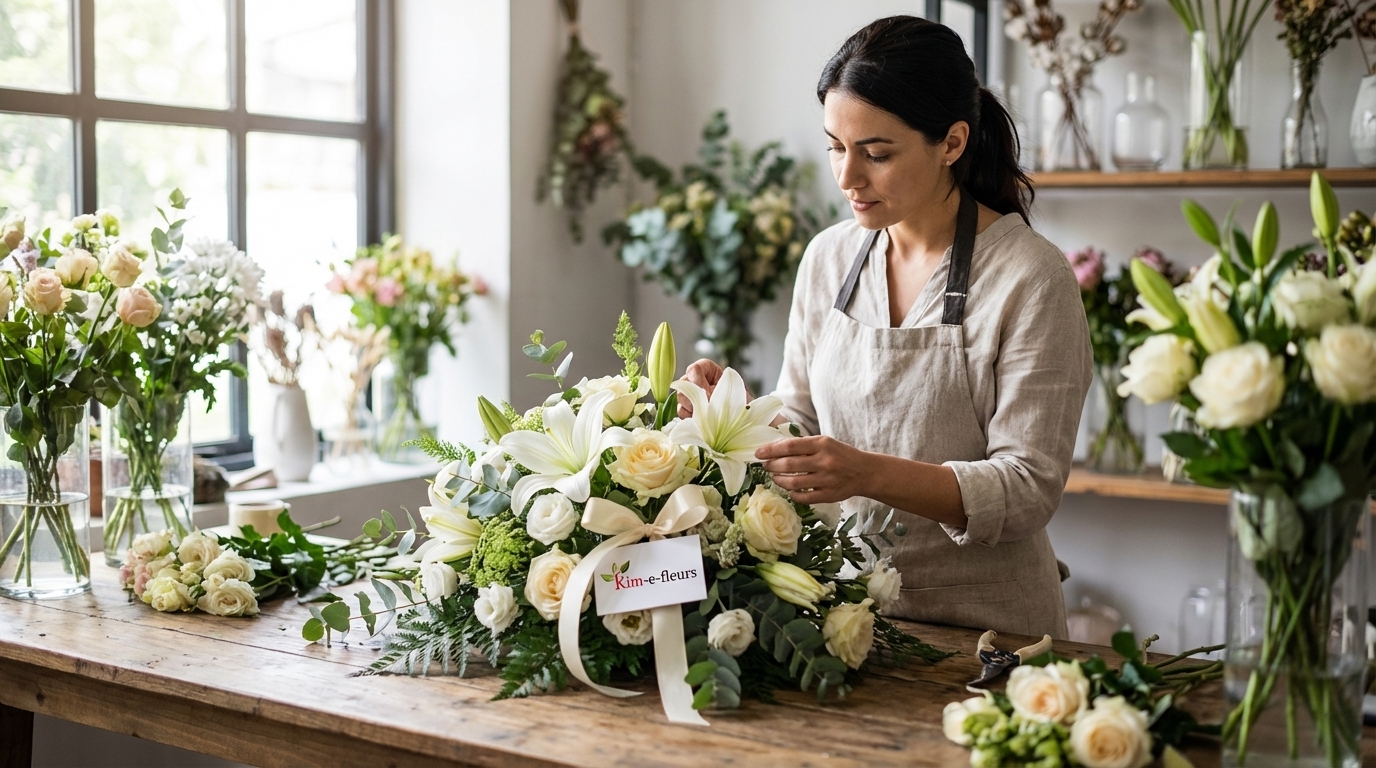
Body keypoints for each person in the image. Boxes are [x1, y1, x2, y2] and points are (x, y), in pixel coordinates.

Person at [678, 16, 1091, 639]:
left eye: (876, 153)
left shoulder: (1031, 277)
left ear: (952, 142)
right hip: (844, 617)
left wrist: (868, 474)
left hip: (989, 631)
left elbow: (1027, 487)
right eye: (836, 148)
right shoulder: (829, 257)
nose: (847, 178)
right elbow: (803, 420)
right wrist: (730, 418)